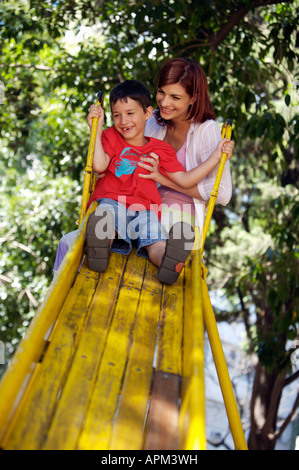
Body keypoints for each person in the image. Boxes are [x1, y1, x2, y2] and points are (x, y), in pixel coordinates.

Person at [84, 79, 232, 284]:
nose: (123, 121)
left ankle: (169, 261)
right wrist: (96, 130)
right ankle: (99, 250)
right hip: (113, 201)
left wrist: (215, 157)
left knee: (155, 240)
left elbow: (185, 179)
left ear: (147, 113)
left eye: (130, 113)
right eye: (116, 115)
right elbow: (99, 165)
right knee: (106, 220)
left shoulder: (160, 150)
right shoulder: (110, 136)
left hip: (145, 209)